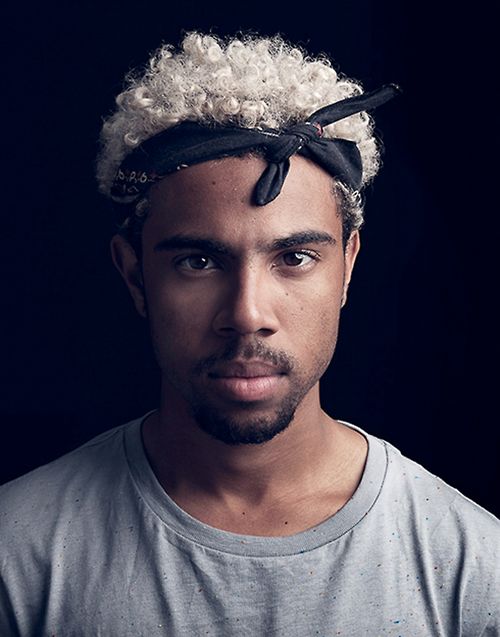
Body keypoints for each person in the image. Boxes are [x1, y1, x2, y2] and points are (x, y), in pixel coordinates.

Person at [1, 31, 498, 637]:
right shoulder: (18, 556)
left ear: (347, 267)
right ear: (134, 275)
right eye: (199, 261)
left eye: (294, 258)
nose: (247, 313)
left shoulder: (473, 569)